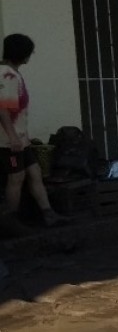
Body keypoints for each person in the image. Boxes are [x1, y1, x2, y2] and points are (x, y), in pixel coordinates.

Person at [0, 34, 70, 228]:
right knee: (16, 177)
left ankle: (48, 213)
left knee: (35, 172)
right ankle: (10, 222)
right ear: (24, 54)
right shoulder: (8, 75)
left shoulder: (12, 72)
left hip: (20, 140)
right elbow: (3, 109)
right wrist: (13, 137)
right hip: (8, 142)